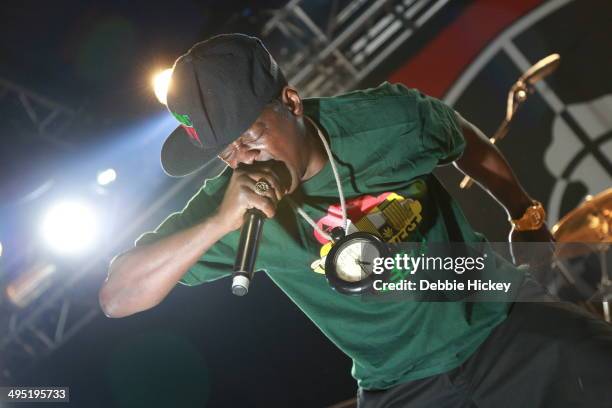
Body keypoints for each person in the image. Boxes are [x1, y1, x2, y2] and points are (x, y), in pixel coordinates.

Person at [99, 34, 612, 407]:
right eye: (228, 153)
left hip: (499, 323)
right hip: (400, 384)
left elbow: (459, 137)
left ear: (291, 103)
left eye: (252, 138)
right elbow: (117, 297)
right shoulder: (227, 203)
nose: (245, 162)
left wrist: (523, 211)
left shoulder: (385, 122)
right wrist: (217, 224)